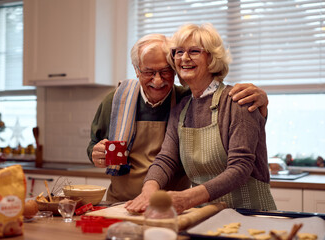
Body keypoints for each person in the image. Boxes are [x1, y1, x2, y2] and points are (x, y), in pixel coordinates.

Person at [87, 33, 269, 203]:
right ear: (136, 70)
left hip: (173, 204)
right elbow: (165, 158)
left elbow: (242, 136)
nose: (157, 81)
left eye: (165, 71)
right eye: (149, 72)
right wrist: (96, 154)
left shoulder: (186, 99)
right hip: (120, 203)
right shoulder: (116, 101)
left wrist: (261, 103)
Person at [125, 23, 276, 213]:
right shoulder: (180, 108)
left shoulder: (239, 99)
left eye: (194, 51)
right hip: (204, 215)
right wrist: (149, 191)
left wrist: (188, 197)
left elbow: (240, 168)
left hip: (250, 214)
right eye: (178, 52)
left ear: (212, 58)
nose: (184, 58)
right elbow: (166, 159)